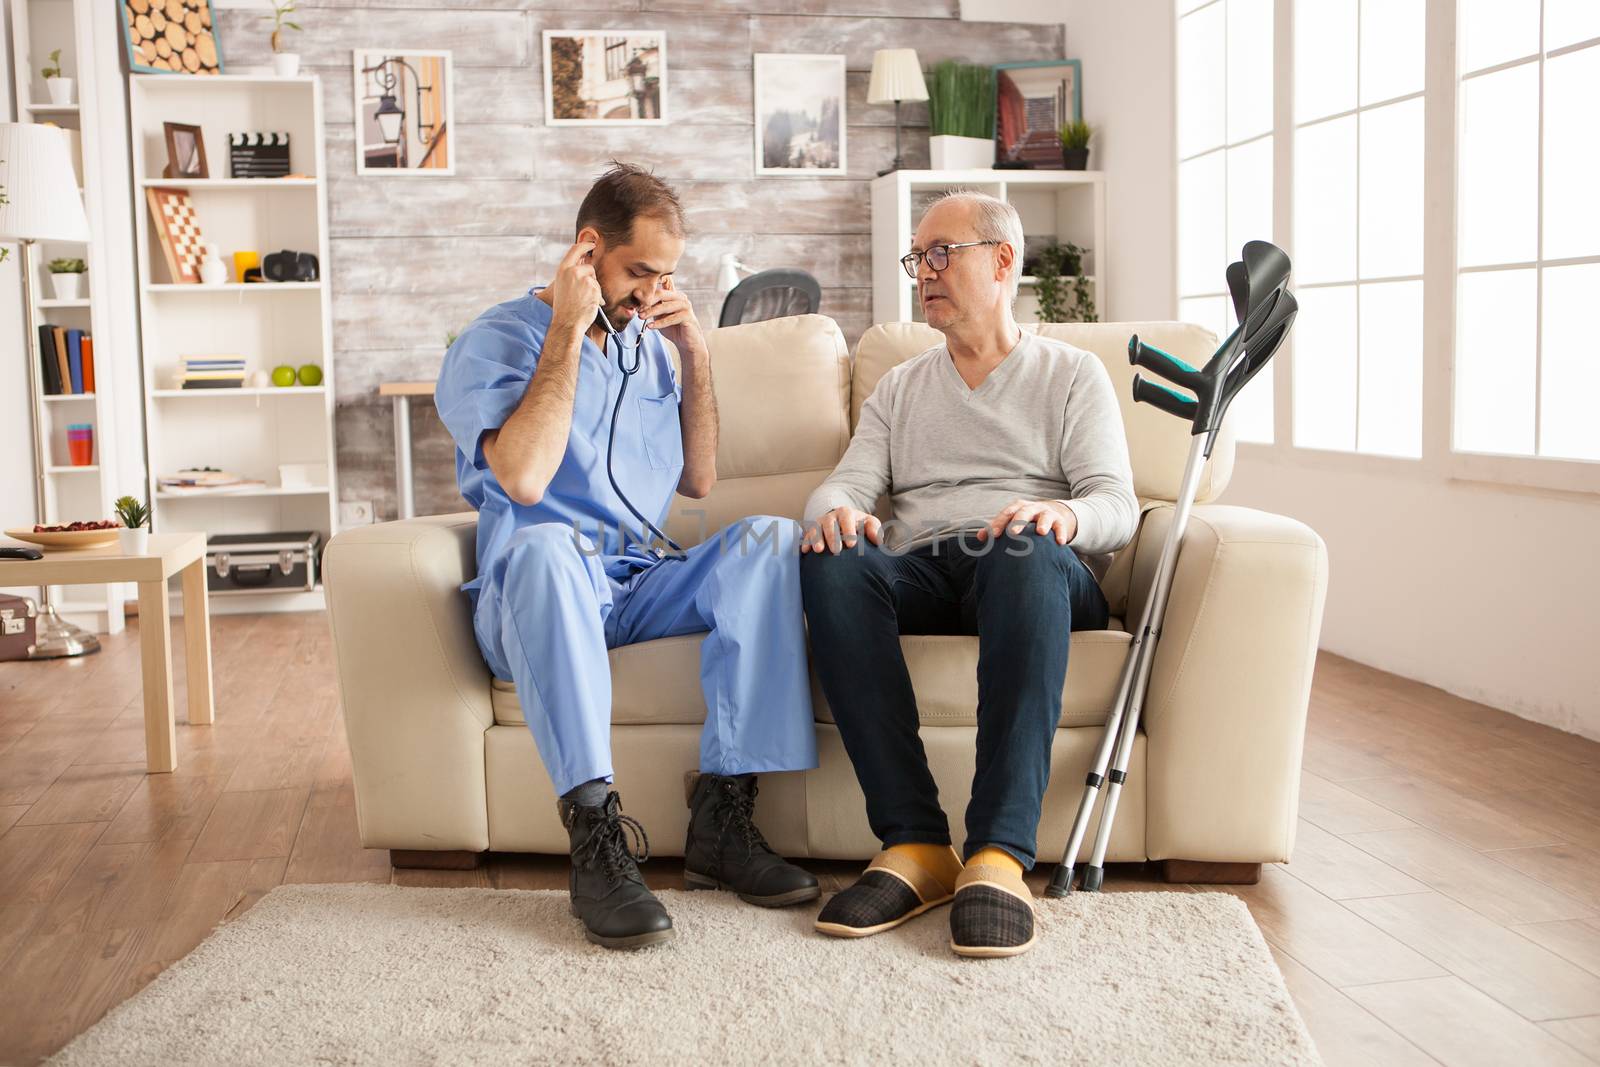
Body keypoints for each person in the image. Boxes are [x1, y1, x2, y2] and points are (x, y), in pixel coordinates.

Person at [435, 162, 819, 951]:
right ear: (586, 251)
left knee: (769, 539)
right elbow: (524, 476)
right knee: (545, 545)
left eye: (666, 275)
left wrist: (693, 350)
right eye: (637, 271)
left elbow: (701, 478)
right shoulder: (497, 340)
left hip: (637, 581)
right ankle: (596, 839)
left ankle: (723, 818)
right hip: (537, 589)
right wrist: (569, 329)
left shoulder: (650, 346)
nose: (649, 292)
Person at [798, 190, 1137, 958]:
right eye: (919, 258)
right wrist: (836, 513)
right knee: (830, 556)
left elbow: (1116, 503)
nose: (925, 272)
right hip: (927, 566)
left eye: (942, 253)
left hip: (1034, 570)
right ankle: (916, 844)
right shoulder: (900, 388)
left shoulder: (1071, 375)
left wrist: (1064, 519)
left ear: (1003, 260)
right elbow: (844, 486)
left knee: (1024, 547)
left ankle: (998, 855)